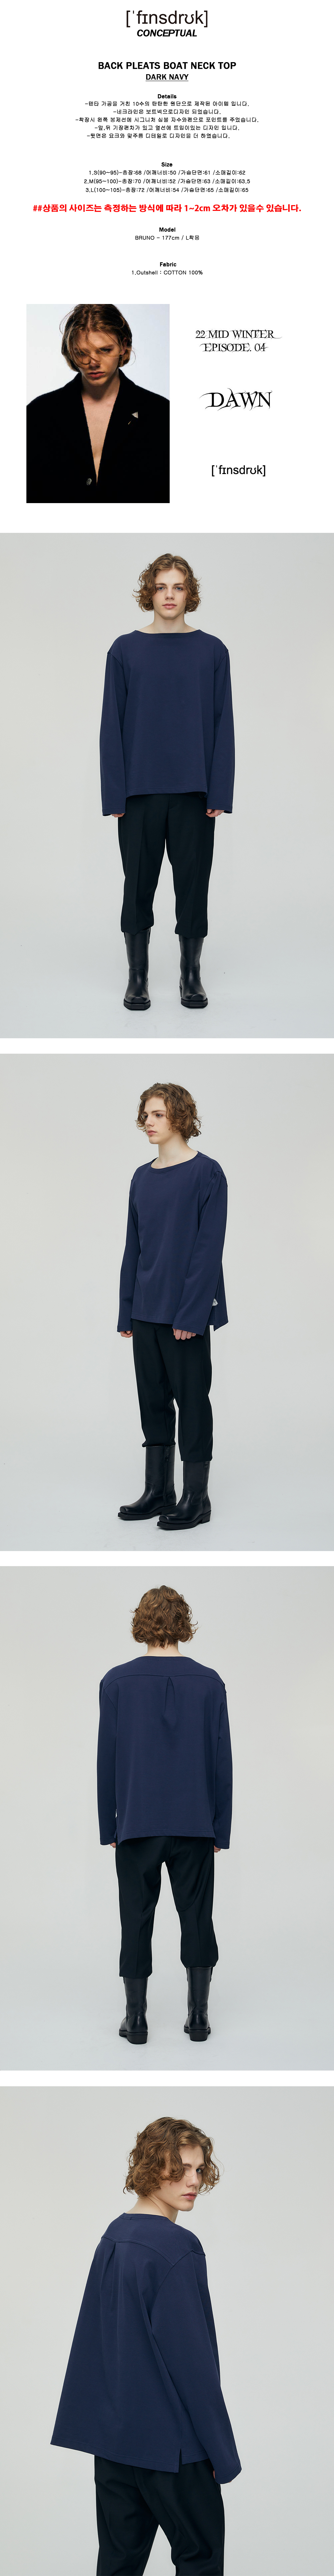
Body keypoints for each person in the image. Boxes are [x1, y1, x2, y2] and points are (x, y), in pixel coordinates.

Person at [51, 2114, 241, 2576]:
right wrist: (222, 2452)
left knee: (118, 2564)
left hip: (116, 2443)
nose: (194, 2180)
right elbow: (193, 2362)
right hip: (174, 2448)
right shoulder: (177, 2247)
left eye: (200, 2168)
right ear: (152, 2167)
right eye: (181, 2168)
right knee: (200, 2560)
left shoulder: (114, 2236)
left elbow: (97, 2341)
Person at [98, 1583, 233, 2045]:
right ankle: (199, 2018)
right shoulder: (210, 1683)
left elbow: (107, 1758)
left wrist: (110, 1823)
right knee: (198, 1918)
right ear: (183, 1624)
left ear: (142, 1623)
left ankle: (136, 2020)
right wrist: (220, 1828)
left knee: (135, 1919)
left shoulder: (116, 1683)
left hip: (137, 1822)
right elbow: (222, 1760)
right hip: (195, 1822)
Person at [100, 551, 235, 1010]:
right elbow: (112, 725)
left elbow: (222, 723)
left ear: (189, 593)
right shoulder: (124, 650)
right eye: (162, 587)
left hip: (195, 791)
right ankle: (137, 977)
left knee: (193, 887)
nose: (170, 595)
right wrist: (114, 794)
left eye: (178, 587)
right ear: (150, 593)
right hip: (138, 791)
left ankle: (190, 975)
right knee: (137, 885)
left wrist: (220, 790)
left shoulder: (212, 651)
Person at [118, 1082, 228, 1530]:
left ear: (180, 1117)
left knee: (192, 1401)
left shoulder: (207, 1173)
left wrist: (191, 1314)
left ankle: (196, 1499)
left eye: (158, 1114)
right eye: (146, 1114)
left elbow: (208, 1250)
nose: (148, 1121)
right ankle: (158, 1491)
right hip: (145, 1310)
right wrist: (127, 1309)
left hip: (185, 1313)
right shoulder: (141, 1177)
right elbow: (134, 1246)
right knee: (153, 1401)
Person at [26, 301, 169, 503]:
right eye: (82, 353)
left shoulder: (161, 413)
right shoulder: (39, 414)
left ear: (124, 346)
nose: (93, 362)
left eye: (105, 350)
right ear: (71, 352)